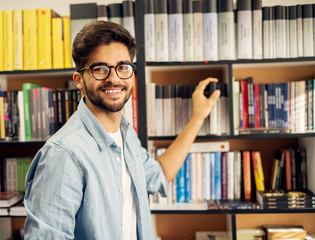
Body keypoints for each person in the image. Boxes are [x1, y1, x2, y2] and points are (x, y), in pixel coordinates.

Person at [24, 20, 220, 239]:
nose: (114, 78)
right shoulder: (62, 155)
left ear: (132, 74)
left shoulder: (126, 134)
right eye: (100, 69)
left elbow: (159, 176)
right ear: (79, 80)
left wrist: (198, 117)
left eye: (123, 67)